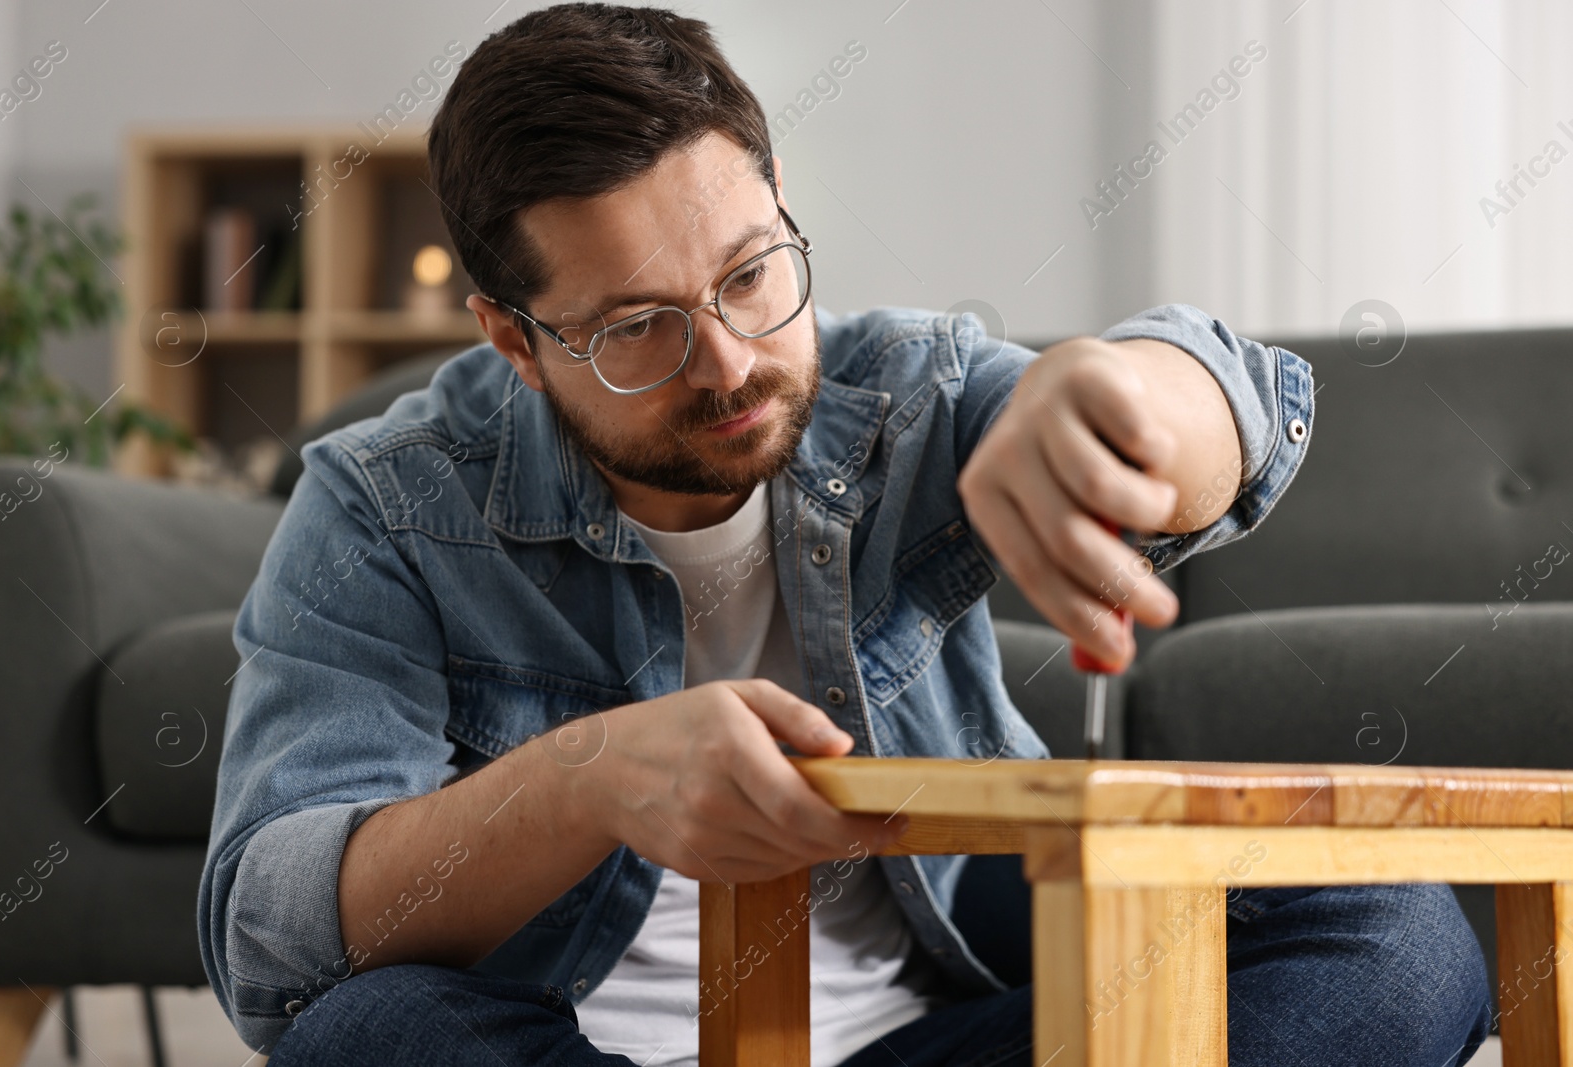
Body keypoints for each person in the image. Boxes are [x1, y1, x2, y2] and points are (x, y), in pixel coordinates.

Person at [196, 5, 1492, 1065]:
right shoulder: (386, 503)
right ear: (512, 341)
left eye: (754, 274)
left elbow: (1241, 404)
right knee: (368, 1038)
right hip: (551, 1043)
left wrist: (1129, 394)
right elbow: (276, 927)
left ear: (782, 211)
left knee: (1392, 936)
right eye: (637, 326)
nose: (730, 363)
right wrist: (585, 779)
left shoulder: (902, 395)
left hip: (931, 1032)